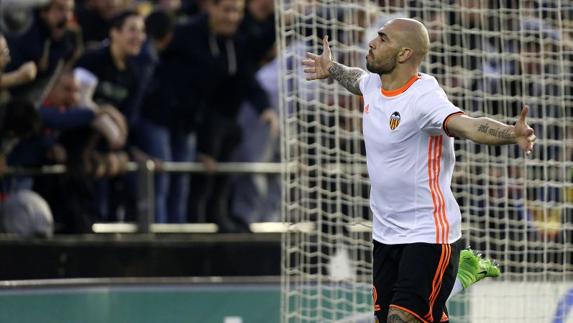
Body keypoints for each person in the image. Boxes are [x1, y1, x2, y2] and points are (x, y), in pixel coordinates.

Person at [303, 18, 535, 323]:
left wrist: (510, 133)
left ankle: (459, 275)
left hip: (428, 234)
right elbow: (356, 78)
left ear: (404, 54)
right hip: (386, 234)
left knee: (402, 319)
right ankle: (463, 276)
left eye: (383, 39)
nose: (372, 42)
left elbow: (467, 125)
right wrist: (332, 68)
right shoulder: (375, 84)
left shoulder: (424, 97)